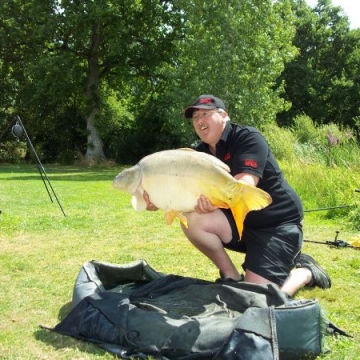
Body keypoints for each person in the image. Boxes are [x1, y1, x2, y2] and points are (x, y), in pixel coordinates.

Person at [144, 94, 331, 297]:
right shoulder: (199, 154)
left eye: (205, 114)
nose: (199, 121)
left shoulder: (248, 137)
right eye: (195, 117)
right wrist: (160, 199)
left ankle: (305, 272)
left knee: (257, 298)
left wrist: (214, 202)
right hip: (240, 224)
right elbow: (183, 193)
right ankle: (230, 275)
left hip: (276, 225)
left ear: (223, 115)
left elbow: (245, 185)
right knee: (192, 219)